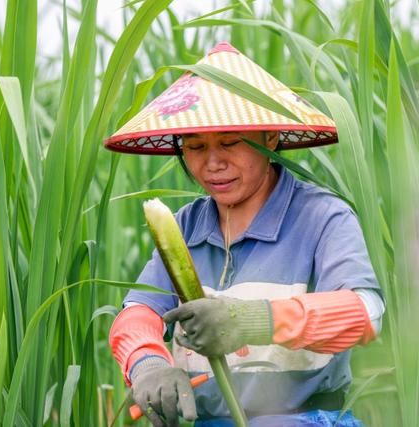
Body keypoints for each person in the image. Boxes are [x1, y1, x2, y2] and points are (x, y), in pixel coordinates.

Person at [105, 42, 385, 427]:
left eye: (230, 142)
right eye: (196, 147)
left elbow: (366, 313)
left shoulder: (322, 217)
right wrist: (148, 364)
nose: (213, 163)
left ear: (270, 138)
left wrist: (252, 320)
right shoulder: (185, 227)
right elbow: (137, 312)